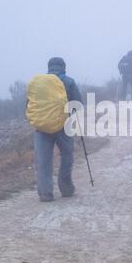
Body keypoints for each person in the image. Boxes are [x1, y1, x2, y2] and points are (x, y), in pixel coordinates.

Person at [33, 57, 83, 202]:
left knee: (44, 161)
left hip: (42, 128)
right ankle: (66, 189)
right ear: (64, 67)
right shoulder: (68, 81)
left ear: (48, 67)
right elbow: (78, 104)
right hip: (64, 126)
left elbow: (29, 106)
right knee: (67, 156)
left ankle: (45, 193)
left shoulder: (38, 84)